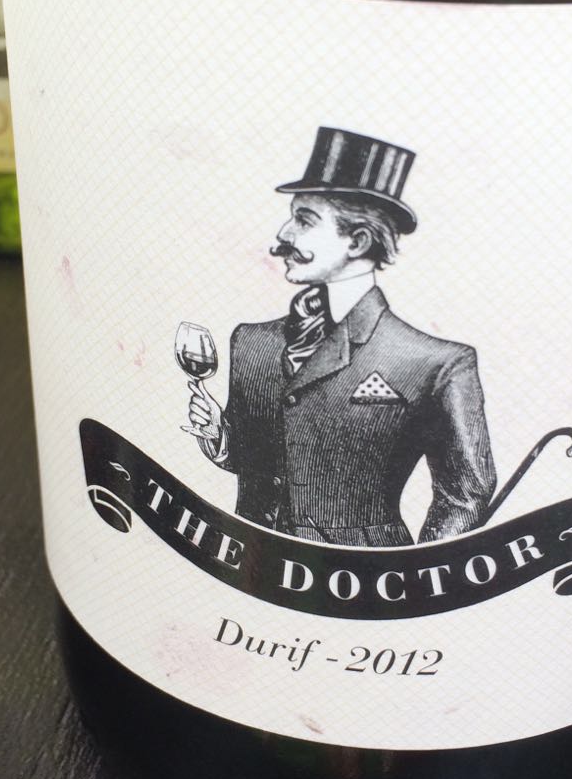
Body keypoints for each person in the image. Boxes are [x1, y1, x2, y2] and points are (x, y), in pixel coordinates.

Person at [187, 127, 495, 545]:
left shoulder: (434, 363)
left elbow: (466, 493)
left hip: (367, 576)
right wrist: (219, 437)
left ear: (358, 241)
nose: (284, 235)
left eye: (304, 220)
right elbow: (255, 462)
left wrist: (417, 569)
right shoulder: (252, 343)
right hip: (254, 567)